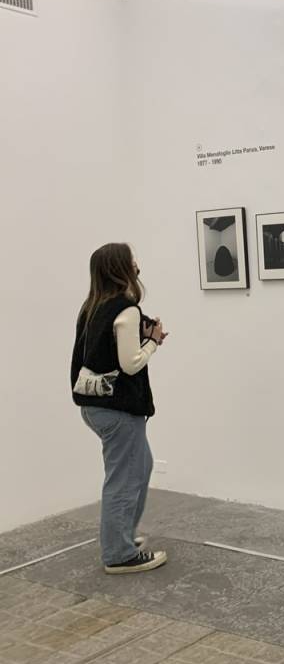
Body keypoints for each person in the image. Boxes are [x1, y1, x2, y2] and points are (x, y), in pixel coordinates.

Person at [71, 243, 168, 575]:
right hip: (118, 408)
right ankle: (119, 553)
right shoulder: (126, 309)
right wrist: (152, 341)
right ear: (121, 268)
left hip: (94, 406)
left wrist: (139, 337)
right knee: (125, 477)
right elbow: (130, 364)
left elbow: (102, 352)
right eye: (132, 260)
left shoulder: (92, 307)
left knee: (140, 466)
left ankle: (121, 537)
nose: (137, 264)